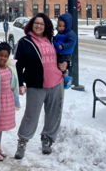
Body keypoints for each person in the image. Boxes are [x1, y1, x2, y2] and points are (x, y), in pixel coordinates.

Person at [13, 13, 68, 159]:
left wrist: (66, 64)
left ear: (46, 26)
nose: (39, 26)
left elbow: (64, 55)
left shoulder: (52, 39)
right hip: (36, 85)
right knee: (31, 115)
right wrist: (20, 83)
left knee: (54, 114)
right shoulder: (25, 42)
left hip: (57, 83)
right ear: (31, 24)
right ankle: (22, 141)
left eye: (42, 24)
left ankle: (47, 140)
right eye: (36, 23)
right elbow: (18, 65)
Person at [54, 13, 76, 89]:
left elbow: (71, 43)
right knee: (59, 65)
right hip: (61, 52)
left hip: (65, 54)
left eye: (63, 26)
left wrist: (63, 46)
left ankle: (67, 79)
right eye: (59, 26)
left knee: (61, 66)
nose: (61, 28)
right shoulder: (60, 33)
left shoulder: (70, 34)